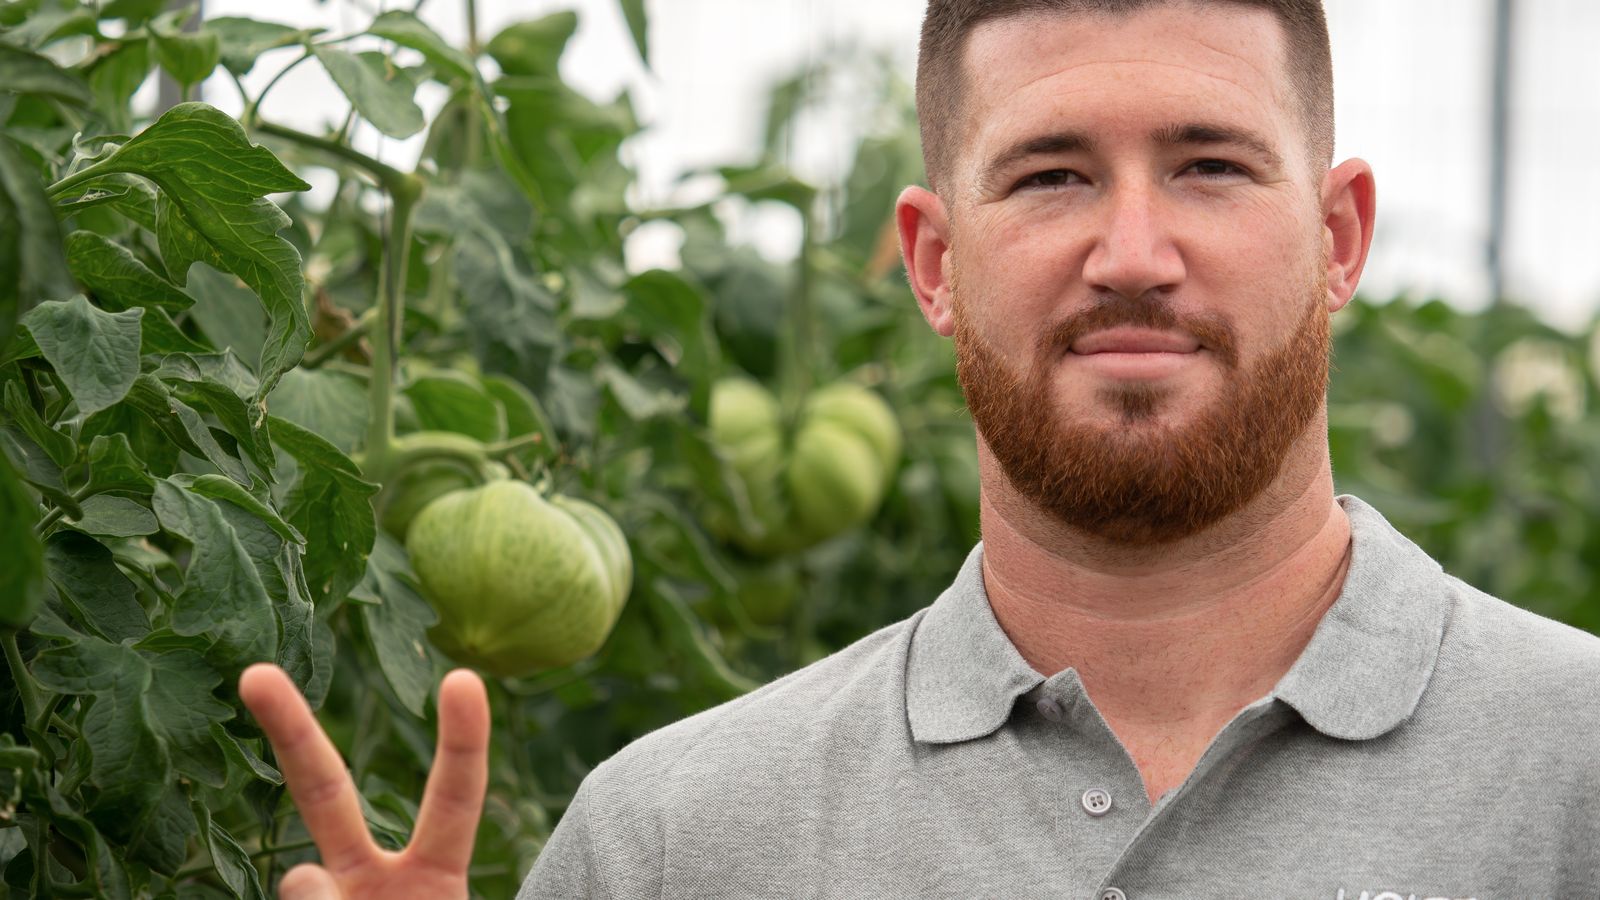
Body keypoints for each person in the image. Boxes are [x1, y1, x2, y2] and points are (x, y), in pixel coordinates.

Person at [241, 1, 1600, 897]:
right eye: (1053, 174)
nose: (1133, 255)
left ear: (1339, 238)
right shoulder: (677, 841)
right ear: (935, 263)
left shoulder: (1574, 774)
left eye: (1211, 167)